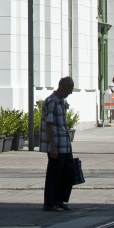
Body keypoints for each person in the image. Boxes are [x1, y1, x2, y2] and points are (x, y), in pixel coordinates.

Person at [40, 76, 75, 212]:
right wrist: (52, 146)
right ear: (62, 86)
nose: (70, 92)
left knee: (69, 171)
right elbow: (49, 125)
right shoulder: (52, 101)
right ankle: (50, 203)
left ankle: (59, 199)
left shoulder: (61, 101)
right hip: (57, 145)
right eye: (70, 89)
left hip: (65, 144)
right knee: (54, 174)